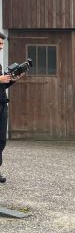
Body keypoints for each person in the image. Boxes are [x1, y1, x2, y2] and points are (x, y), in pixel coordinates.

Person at [0, 32, 25, 184]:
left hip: (2, 105)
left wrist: (13, 79)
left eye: (2, 44)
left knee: (1, 140)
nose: (1, 47)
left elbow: (2, 86)